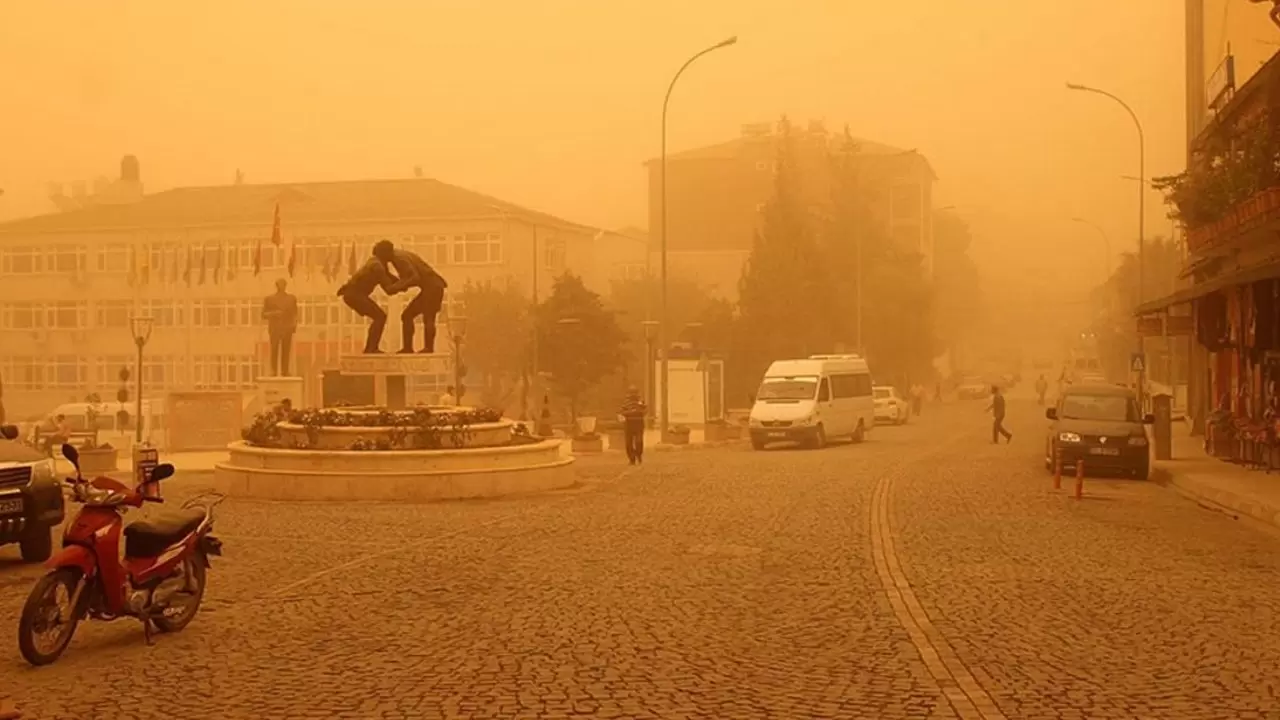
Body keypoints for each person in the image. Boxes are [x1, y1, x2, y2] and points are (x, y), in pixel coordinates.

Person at [373, 240, 449, 354]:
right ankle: (411, 348)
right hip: (431, 286)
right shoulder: (399, 255)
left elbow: (414, 277)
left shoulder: (399, 259)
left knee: (425, 317)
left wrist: (397, 287)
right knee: (409, 316)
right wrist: (399, 284)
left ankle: (427, 348)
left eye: (380, 257)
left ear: (385, 254)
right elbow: (409, 277)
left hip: (433, 287)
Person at [336, 254, 398, 353]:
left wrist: (402, 281)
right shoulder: (378, 267)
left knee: (378, 316)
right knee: (380, 317)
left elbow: (389, 276)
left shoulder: (375, 261)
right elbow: (388, 289)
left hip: (352, 294)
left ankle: (370, 348)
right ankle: (371, 348)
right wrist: (403, 285)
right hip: (355, 295)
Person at [262, 278, 299, 375]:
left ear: (285, 286)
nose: (281, 286)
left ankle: (285, 371)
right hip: (275, 328)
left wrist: (294, 325)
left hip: (287, 328)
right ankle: (273, 371)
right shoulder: (269, 299)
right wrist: (275, 314)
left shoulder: (291, 299)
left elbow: (295, 313)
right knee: (274, 350)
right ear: (276, 285)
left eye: (283, 284)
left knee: (286, 350)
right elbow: (263, 314)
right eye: (279, 284)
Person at [618, 387, 647, 465]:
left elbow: (644, 411)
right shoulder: (625, 403)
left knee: (639, 442)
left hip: (638, 424)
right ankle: (632, 458)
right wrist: (633, 412)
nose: (633, 395)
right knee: (628, 443)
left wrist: (633, 412)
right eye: (631, 393)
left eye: (634, 393)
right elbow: (622, 412)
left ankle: (639, 455)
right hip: (629, 425)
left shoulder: (640, 402)